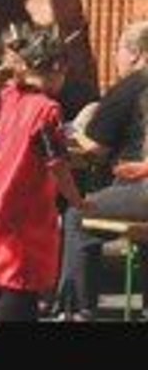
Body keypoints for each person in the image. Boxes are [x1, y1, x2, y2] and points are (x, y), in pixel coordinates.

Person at [0, 26, 89, 322]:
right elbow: (55, 162)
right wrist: (76, 199)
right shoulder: (47, 110)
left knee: (15, 285)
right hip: (26, 209)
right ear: (56, 68)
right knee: (22, 286)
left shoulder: (10, 97)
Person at [56, 21, 148, 320]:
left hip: (139, 188)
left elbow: (96, 148)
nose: (115, 55)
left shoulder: (131, 85)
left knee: (77, 215)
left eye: (118, 48)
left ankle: (78, 307)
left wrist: (72, 132)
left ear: (136, 54)